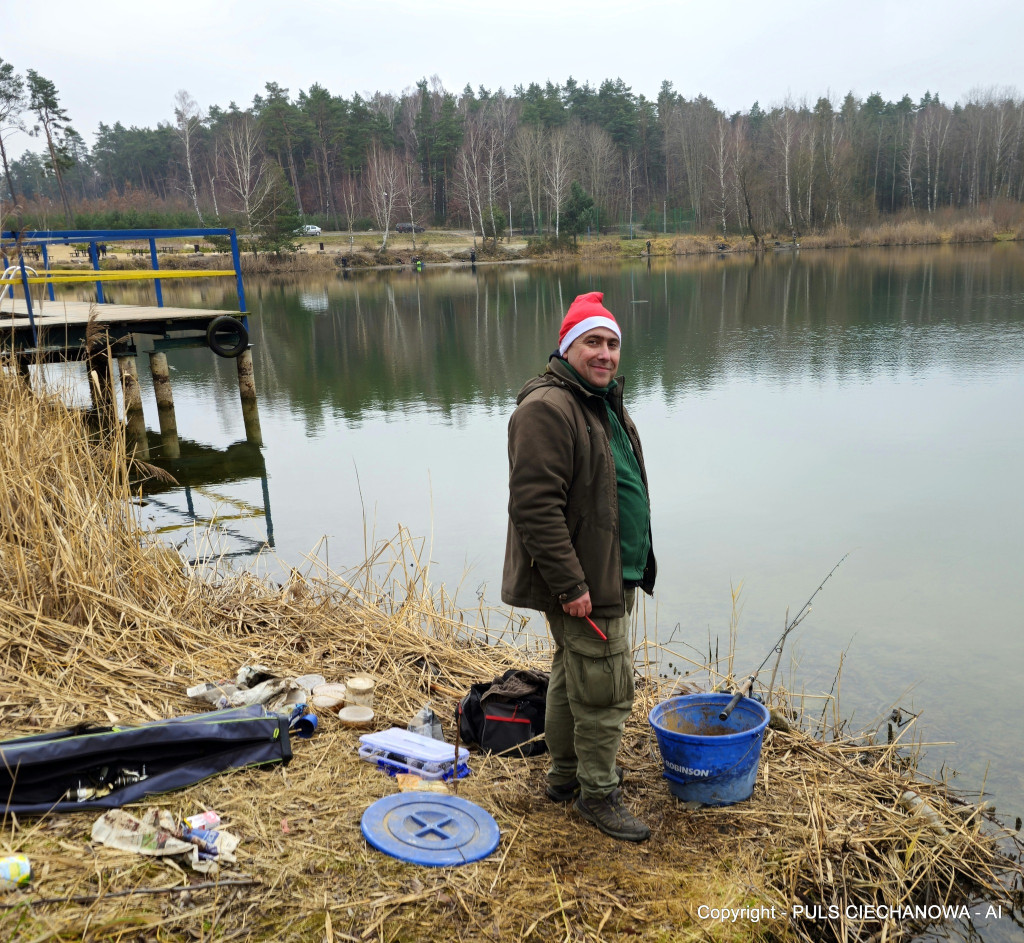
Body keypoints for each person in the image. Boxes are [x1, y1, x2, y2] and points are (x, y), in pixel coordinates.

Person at [502, 291, 656, 843]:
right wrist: (571, 584)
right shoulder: (547, 408)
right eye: (593, 341)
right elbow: (534, 507)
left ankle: (564, 779)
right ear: (569, 348)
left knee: (573, 676)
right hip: (586, 582)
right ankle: (599, 794)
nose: (606, 353)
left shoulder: (598, 399)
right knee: (606, 689)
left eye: (613, 343)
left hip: (610, 572)